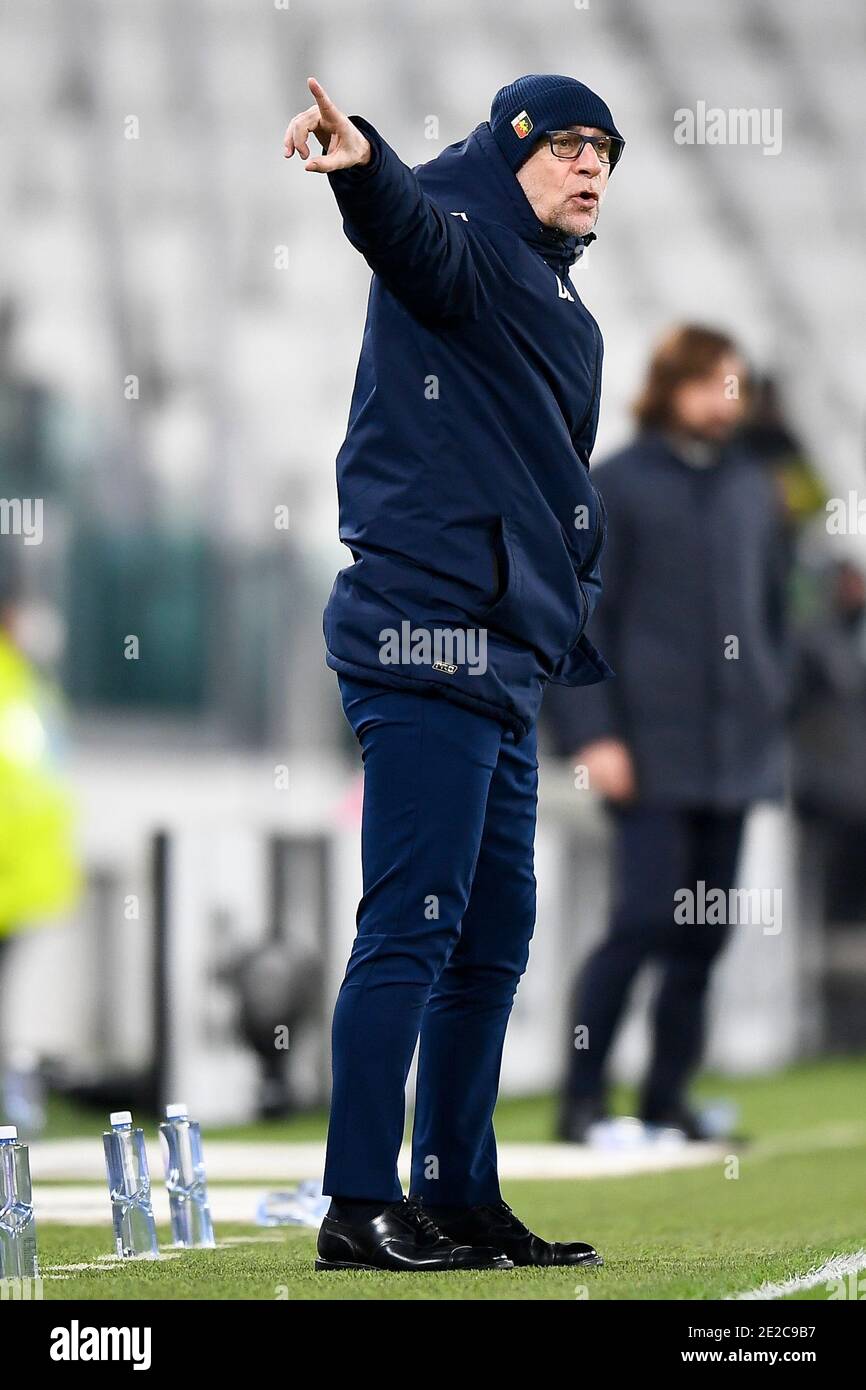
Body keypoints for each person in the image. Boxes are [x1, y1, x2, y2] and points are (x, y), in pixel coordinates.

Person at [285, 72, 625, 1271]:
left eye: (605, 151)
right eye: (566, 145)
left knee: (488, 942)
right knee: (411, 929)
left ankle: (456, 1193)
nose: (589, 166)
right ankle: (355, 1202)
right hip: (425, 636)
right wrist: (363, 161)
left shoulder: (550, 292)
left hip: (504, 655)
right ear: (507, 149)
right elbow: (408, 230)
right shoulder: (464, 237)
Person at [545, 326, 790, 1143]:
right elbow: (584, 617)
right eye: (712, 383)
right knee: (643, 920)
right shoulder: (612, 483)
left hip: (736, 759)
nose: (728, 400)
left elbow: (775, 616)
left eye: (736, 385)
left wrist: (770, 704)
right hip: (647, 753)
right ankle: (582, 1098)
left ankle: (665, 1099)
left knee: (703, 934)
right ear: (670, 388)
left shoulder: (756, 490)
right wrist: (593, 734)